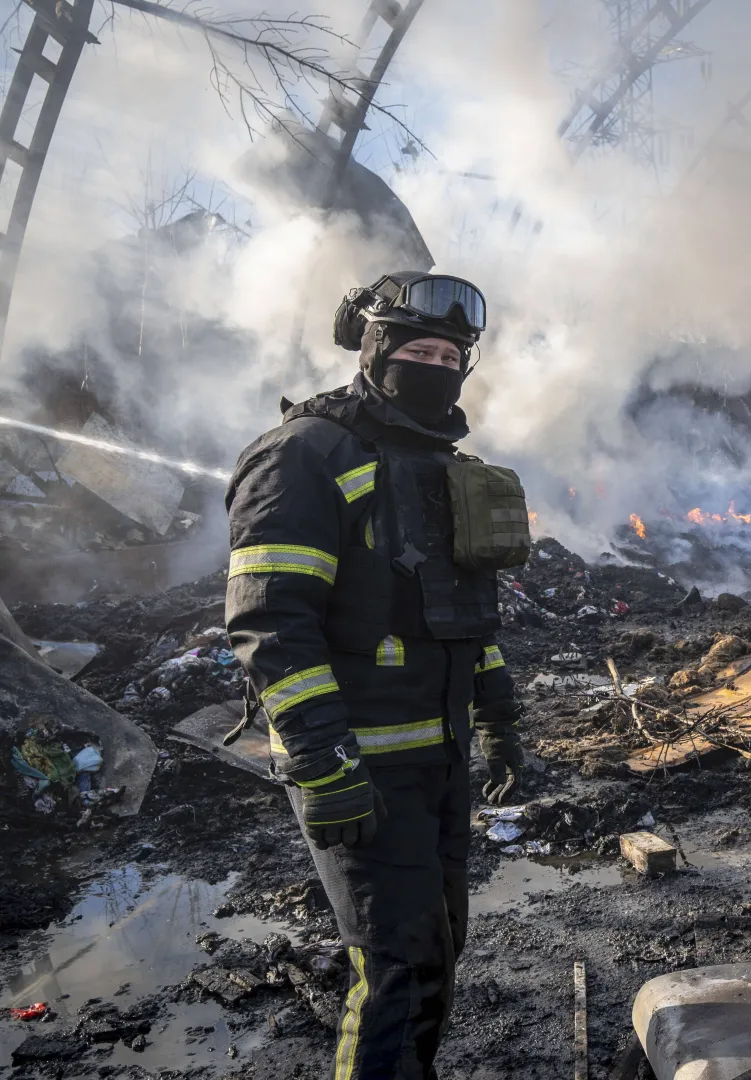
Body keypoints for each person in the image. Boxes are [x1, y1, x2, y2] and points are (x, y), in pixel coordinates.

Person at [225, 271, 534, 1079]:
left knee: (438, 947)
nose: (433, 366)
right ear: (374, 352)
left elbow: (468, 618)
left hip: (439, 756)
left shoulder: (441, 469)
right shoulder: (306, 455)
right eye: (416, 350)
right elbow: (269, 623)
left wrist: (499, 722)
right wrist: (324, 765)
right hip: (357, 766)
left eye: (448, 354)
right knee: (397, 967)